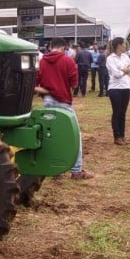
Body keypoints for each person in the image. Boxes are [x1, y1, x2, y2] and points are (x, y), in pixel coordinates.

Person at [35, 38, 93, 179]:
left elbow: (35, 86)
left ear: (50, 47)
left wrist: (49, 91)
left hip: (48, 103)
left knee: (51, 136)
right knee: (74, 135)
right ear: (63, 48)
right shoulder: (68, 61)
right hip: (63, 102)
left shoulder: (41, 62)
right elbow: (74, 84)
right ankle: (76, 170)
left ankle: (55, 170)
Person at [106, 37, 130, 145]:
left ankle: (122, 135)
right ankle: (117, 136)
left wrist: (125, 69)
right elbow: (116, 74)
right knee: (117, 112)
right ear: (119, 45)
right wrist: (126, 70)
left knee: (123, 112)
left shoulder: (125, 56)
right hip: (115, 88)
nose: (125, 46)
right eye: (124, 44)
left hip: (126, 87)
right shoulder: (110, 58)